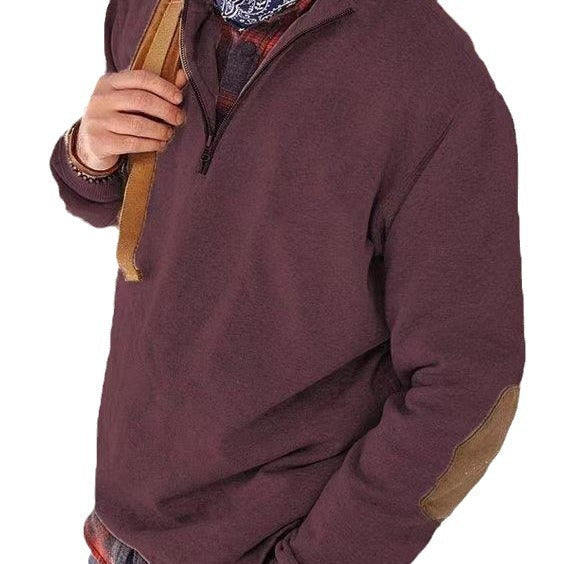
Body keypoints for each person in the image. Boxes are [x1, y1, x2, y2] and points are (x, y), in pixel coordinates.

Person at [49, 0, 525, 562]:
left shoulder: (432, 75)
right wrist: (89, 153)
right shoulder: (149, 9)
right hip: (115, 531)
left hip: (267, 544)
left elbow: (468, 381)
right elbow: (135, 202)